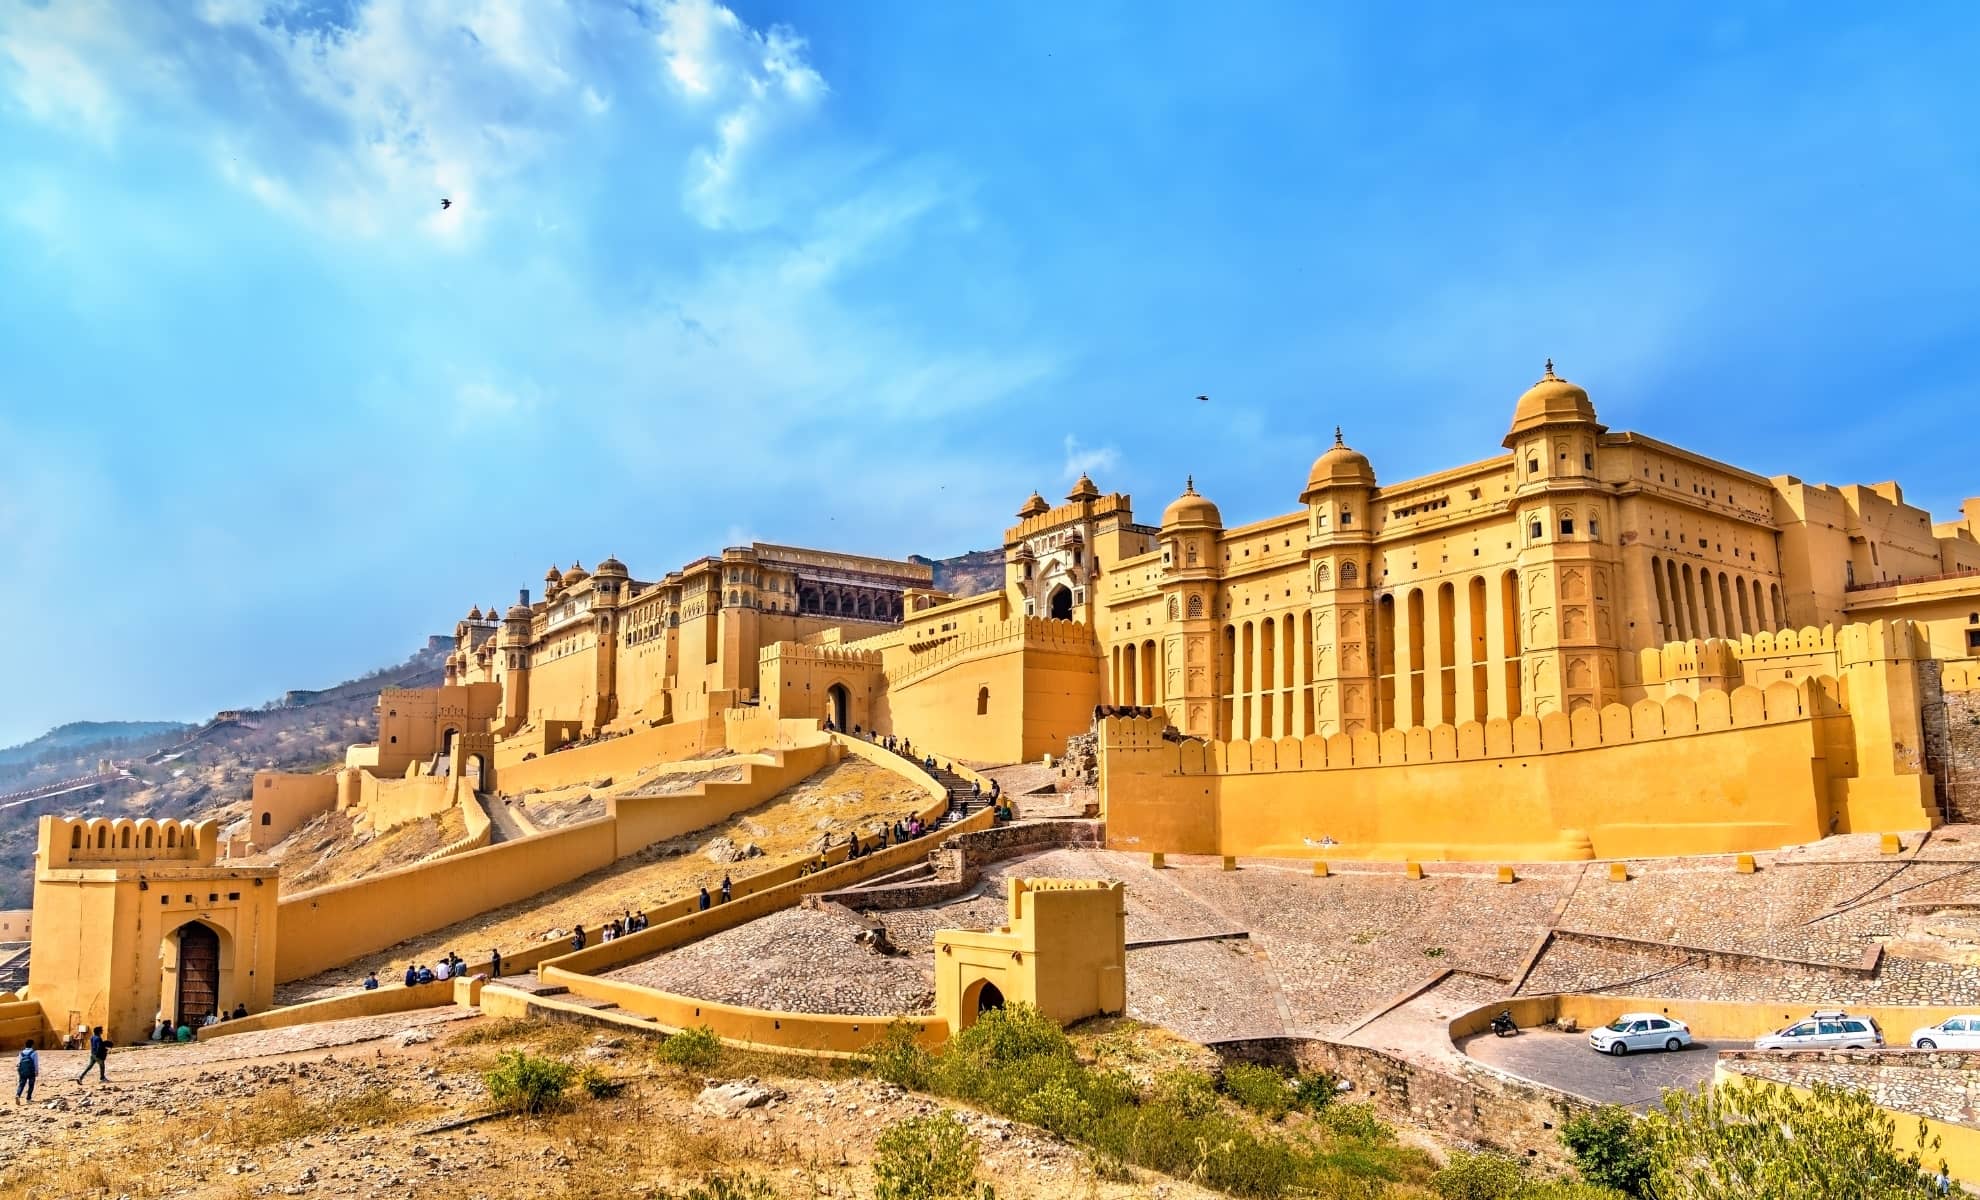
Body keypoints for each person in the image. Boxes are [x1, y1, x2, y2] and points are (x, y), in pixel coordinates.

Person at [15, 1039, 37, 1104]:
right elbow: (36, 1063)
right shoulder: (34, 1053)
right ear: (32, 1045)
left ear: (25, 1045)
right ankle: (28, 1099)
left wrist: (19, 1070)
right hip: (31, 1071)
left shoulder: (21, 1053)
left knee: (21, 1084)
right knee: (31, 1085)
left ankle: (18, 1095)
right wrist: (36, 1071)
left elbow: (18, 1063)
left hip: (23, 1071)